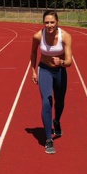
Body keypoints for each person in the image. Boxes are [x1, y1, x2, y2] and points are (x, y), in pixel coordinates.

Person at [30, 10, 73, 154]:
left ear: (57, 22)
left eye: (52, 22)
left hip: (60, 71)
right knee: (47, 101)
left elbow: (69, 61)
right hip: (45, 70)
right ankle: (48, 139)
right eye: (46, 22)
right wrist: (33, 70)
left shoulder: (65, 36)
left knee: (59, 101)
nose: (49, 25)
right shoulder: (37, 36)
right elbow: (33, 52)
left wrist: (61, 61)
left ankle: (57, 121)